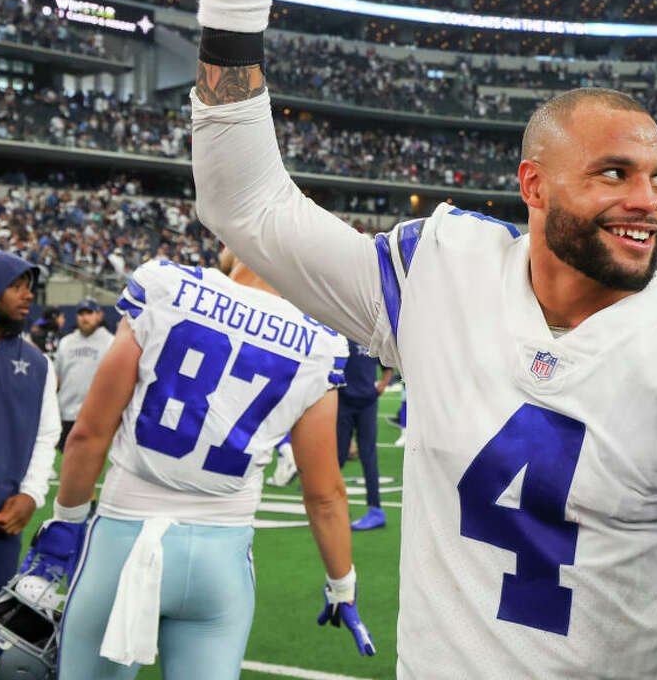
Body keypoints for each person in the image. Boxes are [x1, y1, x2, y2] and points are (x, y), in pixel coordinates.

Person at [189, 0, 657, 676]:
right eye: (614, 173)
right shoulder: (442, 270)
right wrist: (232, 1)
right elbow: (246, 204)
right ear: (534, 187)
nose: (649, 202)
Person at [24, 251, 375, 680]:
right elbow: (324, 494)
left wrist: (67, 520)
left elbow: (88, 434)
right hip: (220, 565)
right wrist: (342, 584)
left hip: (124, 541)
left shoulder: (166, 286)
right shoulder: (320, 343)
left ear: (234, 240)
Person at [0, 250, 60, 597]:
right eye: (15, 286)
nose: (28, 294)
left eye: (29, 287)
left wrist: (31, 494)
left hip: (4, 523)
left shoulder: (39, 363)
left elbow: (47, 435)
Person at [339, 339, 391, 530]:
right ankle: (336, 505)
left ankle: (376, 510)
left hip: (367, 403)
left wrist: (381, 387)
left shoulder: (371, 337)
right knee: (338, 456)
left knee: (369, 457)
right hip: (343, 402)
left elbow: (388, 367)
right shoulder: (340, 335)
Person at [54, 297, 114, 451]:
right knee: (64, 457)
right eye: (81, 314)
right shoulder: (66, 342)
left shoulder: (110, 342)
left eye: (89, 313)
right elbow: (58, 378)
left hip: (96, 415)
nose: (85, 318)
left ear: (99, 315)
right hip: (66, 412)